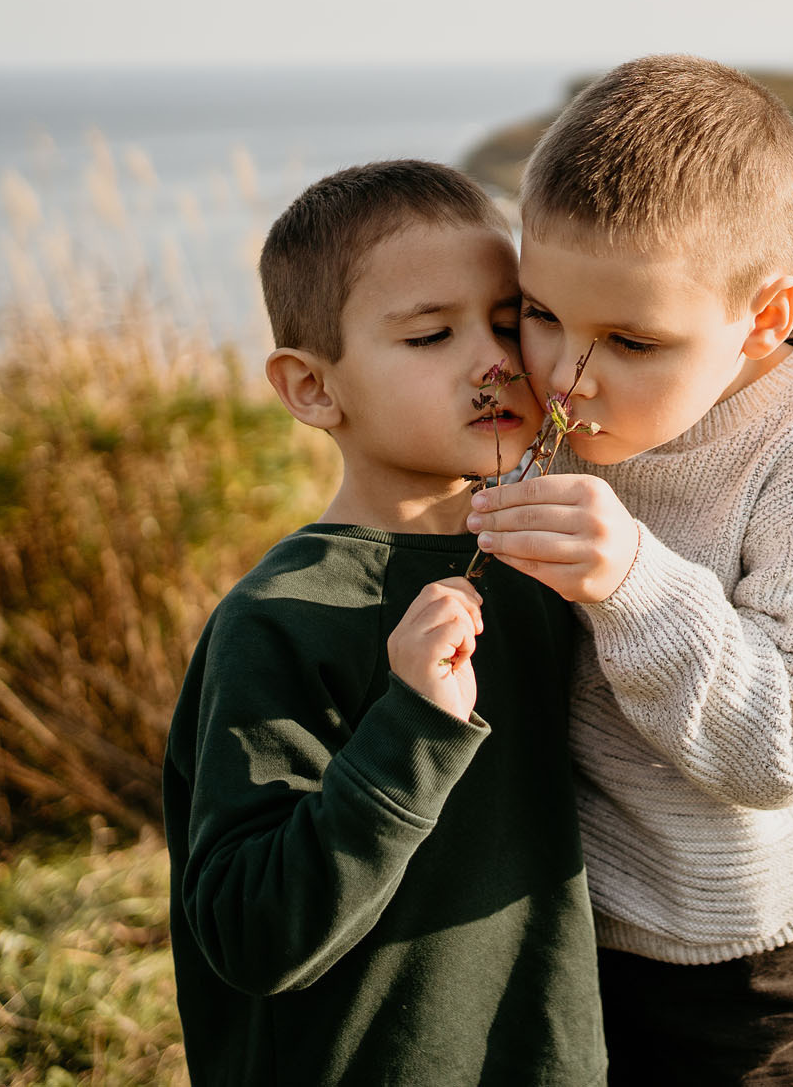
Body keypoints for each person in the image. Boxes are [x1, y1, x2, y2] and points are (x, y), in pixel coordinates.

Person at [465, 56, 793, 1087]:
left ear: (762, 318)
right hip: (563, 902)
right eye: (539, 314)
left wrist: (632, 580)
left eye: (630, 340)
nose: (567, 378)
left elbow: (789, 743)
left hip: (739, 943)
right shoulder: (570, 370)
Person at [163, 159, 606, 1086]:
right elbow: (251, 935)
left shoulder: (545, 566)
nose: (491, 358)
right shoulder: (281, 619)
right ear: (313, 388)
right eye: (431, 334)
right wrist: (408, 728)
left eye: (507, 318)